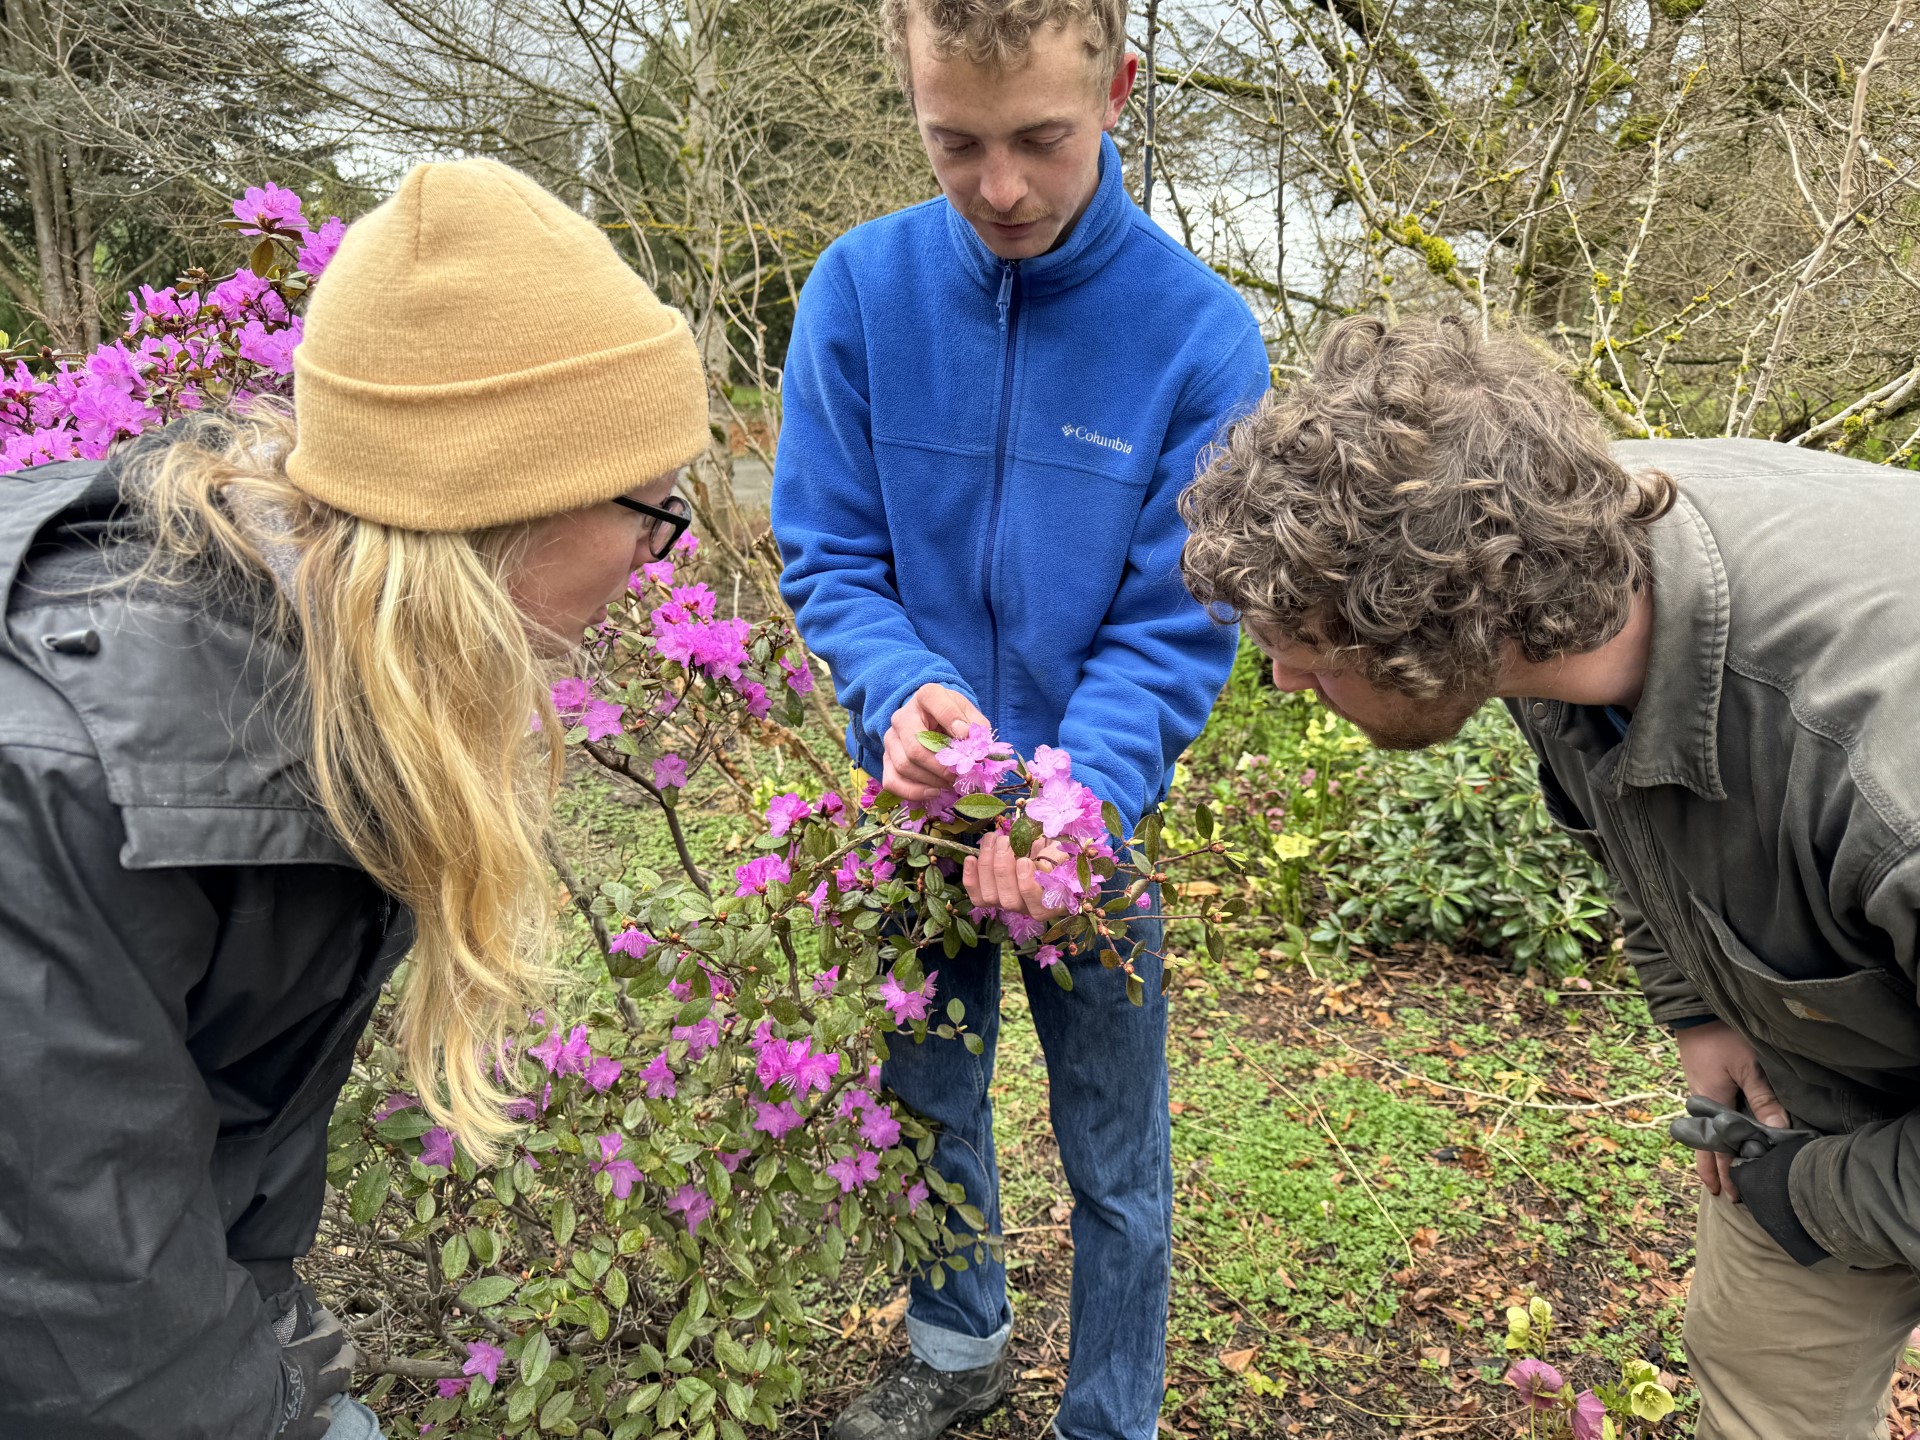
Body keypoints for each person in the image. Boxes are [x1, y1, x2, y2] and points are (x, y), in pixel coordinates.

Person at [0, 158, 711, 1439]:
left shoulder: (315, 669)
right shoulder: (70, 780)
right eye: (653, 504)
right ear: (504, 506)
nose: (660, 552)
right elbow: (77, 1320)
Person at [1177, 312, 1920, 1440]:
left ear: (1434, 636)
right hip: (1831, 1059)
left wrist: (1806, 1195)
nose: (1279, 680)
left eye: (1308, 649)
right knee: (1763, 1369)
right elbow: (1618, 819)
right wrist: (1696, 1011)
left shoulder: (1873, 767)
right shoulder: (1540, 563)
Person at [772, 3, 1269, 1436]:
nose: (1000, 188)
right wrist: (895, 692)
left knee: (1115, 1151)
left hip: (1089, 829)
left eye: (1041, 138)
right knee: (927, 1097)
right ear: (912, 99)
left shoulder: (1198, 337)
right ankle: (953, 1348)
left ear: (1116, 89)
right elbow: (829, 553)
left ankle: (1110, 1418)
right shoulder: (858, 294)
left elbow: (1181, 619)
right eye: (955, 143)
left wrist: (1075, 802)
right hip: (916, 806)